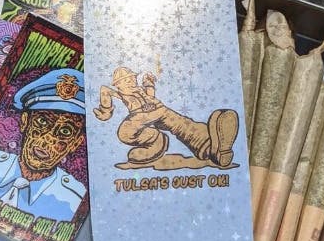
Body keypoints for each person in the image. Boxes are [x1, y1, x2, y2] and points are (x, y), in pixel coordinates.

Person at [0, 68, 86, 222]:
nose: (48, 139)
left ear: (75, 142)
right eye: (42, 121)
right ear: (25, 121)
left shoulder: (73, 201)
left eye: (65, 131)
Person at [94, 67, 239, 167]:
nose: (131, 81)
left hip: (158, 110)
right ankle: (156, 142)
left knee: (180, 124)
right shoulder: (122, 93)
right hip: (139, 116)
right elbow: (104, 89)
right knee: (125, 133)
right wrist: (106, 110)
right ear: (118, 84)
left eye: (132, 79)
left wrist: (148, 83)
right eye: (126, 80)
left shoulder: (139, 89)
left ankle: (209, 146)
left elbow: (150, 96)